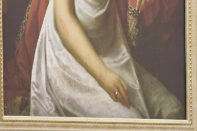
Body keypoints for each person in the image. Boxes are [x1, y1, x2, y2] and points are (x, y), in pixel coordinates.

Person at [28, 0, 184, 118]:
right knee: (132, 124)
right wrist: (103, 75)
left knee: (174, 109)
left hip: (114, 54)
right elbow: (64, 20)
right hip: (69, 63)